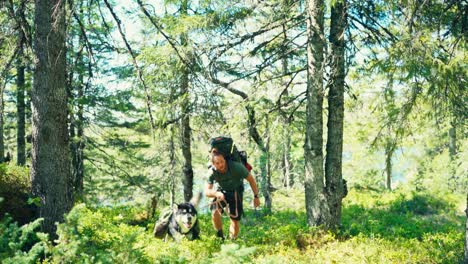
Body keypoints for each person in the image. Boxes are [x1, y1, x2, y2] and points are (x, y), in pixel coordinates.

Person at [204, 150, 260, 240]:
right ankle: (220, 237)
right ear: (213, 164)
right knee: (215, 212)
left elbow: (251, 179)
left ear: (225, 160)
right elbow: (207, 191)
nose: (220, 165)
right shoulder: (212, 172)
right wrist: (216, 193)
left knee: (234, 220)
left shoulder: (236, 167)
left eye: (222, 161)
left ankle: (232, 241)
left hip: (236, 192)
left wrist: (256, 196)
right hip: (221, 192)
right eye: (217, 163)